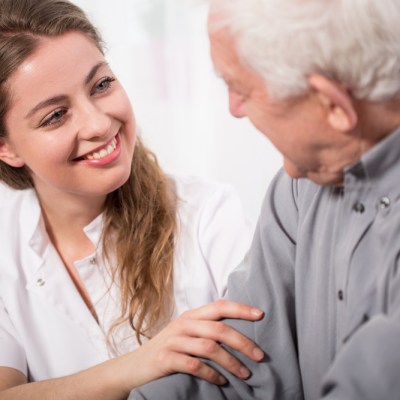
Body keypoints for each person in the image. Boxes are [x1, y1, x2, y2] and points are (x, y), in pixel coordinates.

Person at [128, 0, 400, 399]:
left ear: (333, 106)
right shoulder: (300, 185)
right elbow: (235, 355)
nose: (233, 109)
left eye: (240, 88)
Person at [0, 0, 267, 399]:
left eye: (102, 85)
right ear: (6, 148)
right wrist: (143, 363)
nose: (98, 123)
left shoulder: (210, 215)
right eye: (55, 115)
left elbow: (269, 370)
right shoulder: (5, 245)